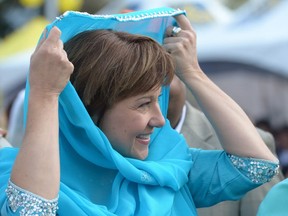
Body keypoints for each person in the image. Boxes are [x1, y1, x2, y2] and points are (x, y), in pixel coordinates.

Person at [0, 8, 279, 215]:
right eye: (144, 103)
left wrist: (193, 73)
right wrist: (46, 93)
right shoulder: (15, 173)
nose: (159, 119)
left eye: (159, 99)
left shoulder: (164, 165)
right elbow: (29, 210)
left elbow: (258, 166)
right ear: (89, 111)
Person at [168, 76, 284, 216]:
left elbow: (262, 170)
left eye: (163, 75)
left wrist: (193, 72)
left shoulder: (246, 147)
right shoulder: (136, 149)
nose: (153, 86)